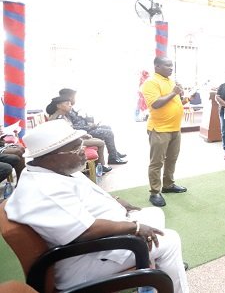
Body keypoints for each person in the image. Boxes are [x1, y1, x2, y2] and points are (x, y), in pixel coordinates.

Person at [4, 120, 189, 292]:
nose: (84, 151)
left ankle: (160, 268)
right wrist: (135, 227)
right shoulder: (44, 189)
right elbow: (85, 231)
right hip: (86, 259)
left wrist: (115, 201)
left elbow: (82, 199)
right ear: (50, 157)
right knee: (170, 240)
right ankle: (166, 274)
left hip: (101, 244)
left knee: (154, 213)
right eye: (76, 148)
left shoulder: (53, 171)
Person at [141, 56, 189, 207]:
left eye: (172, 66)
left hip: (175, 128)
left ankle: (168, 185)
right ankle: (155, 192)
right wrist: (174, 92)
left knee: (172, 158)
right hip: (159, 129)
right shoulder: (150, 82)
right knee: (157, 162)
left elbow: (175, 102)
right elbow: (155, 104)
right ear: (157, 67)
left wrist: (184, 98)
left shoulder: (170, 81)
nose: (170, 68)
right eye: (167, 65)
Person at [59, 88, 127, 164]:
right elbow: (73, 128)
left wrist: (88, 122)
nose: (74, 99)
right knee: (108, 133)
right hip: (84, 132)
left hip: (86, 128)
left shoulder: (70, 108)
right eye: (73, 97)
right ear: (69, 97)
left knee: (107, 127)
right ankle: (113, 158)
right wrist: (90, 126)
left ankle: (114, 153)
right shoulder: (65, 112)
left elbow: (78, 121)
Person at [46, 96, 112, 174]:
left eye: (70, 103)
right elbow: (65, 136)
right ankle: (100, 167)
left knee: (97, 141)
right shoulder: (58, 119)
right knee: (100, 143)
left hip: (71, 139)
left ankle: (97, 166)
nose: (70, 105)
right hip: (67, 143)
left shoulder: (63, 116)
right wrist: (81, 137)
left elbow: (70, 131)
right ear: (59, 106)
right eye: (67, 103)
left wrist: (83, 135)